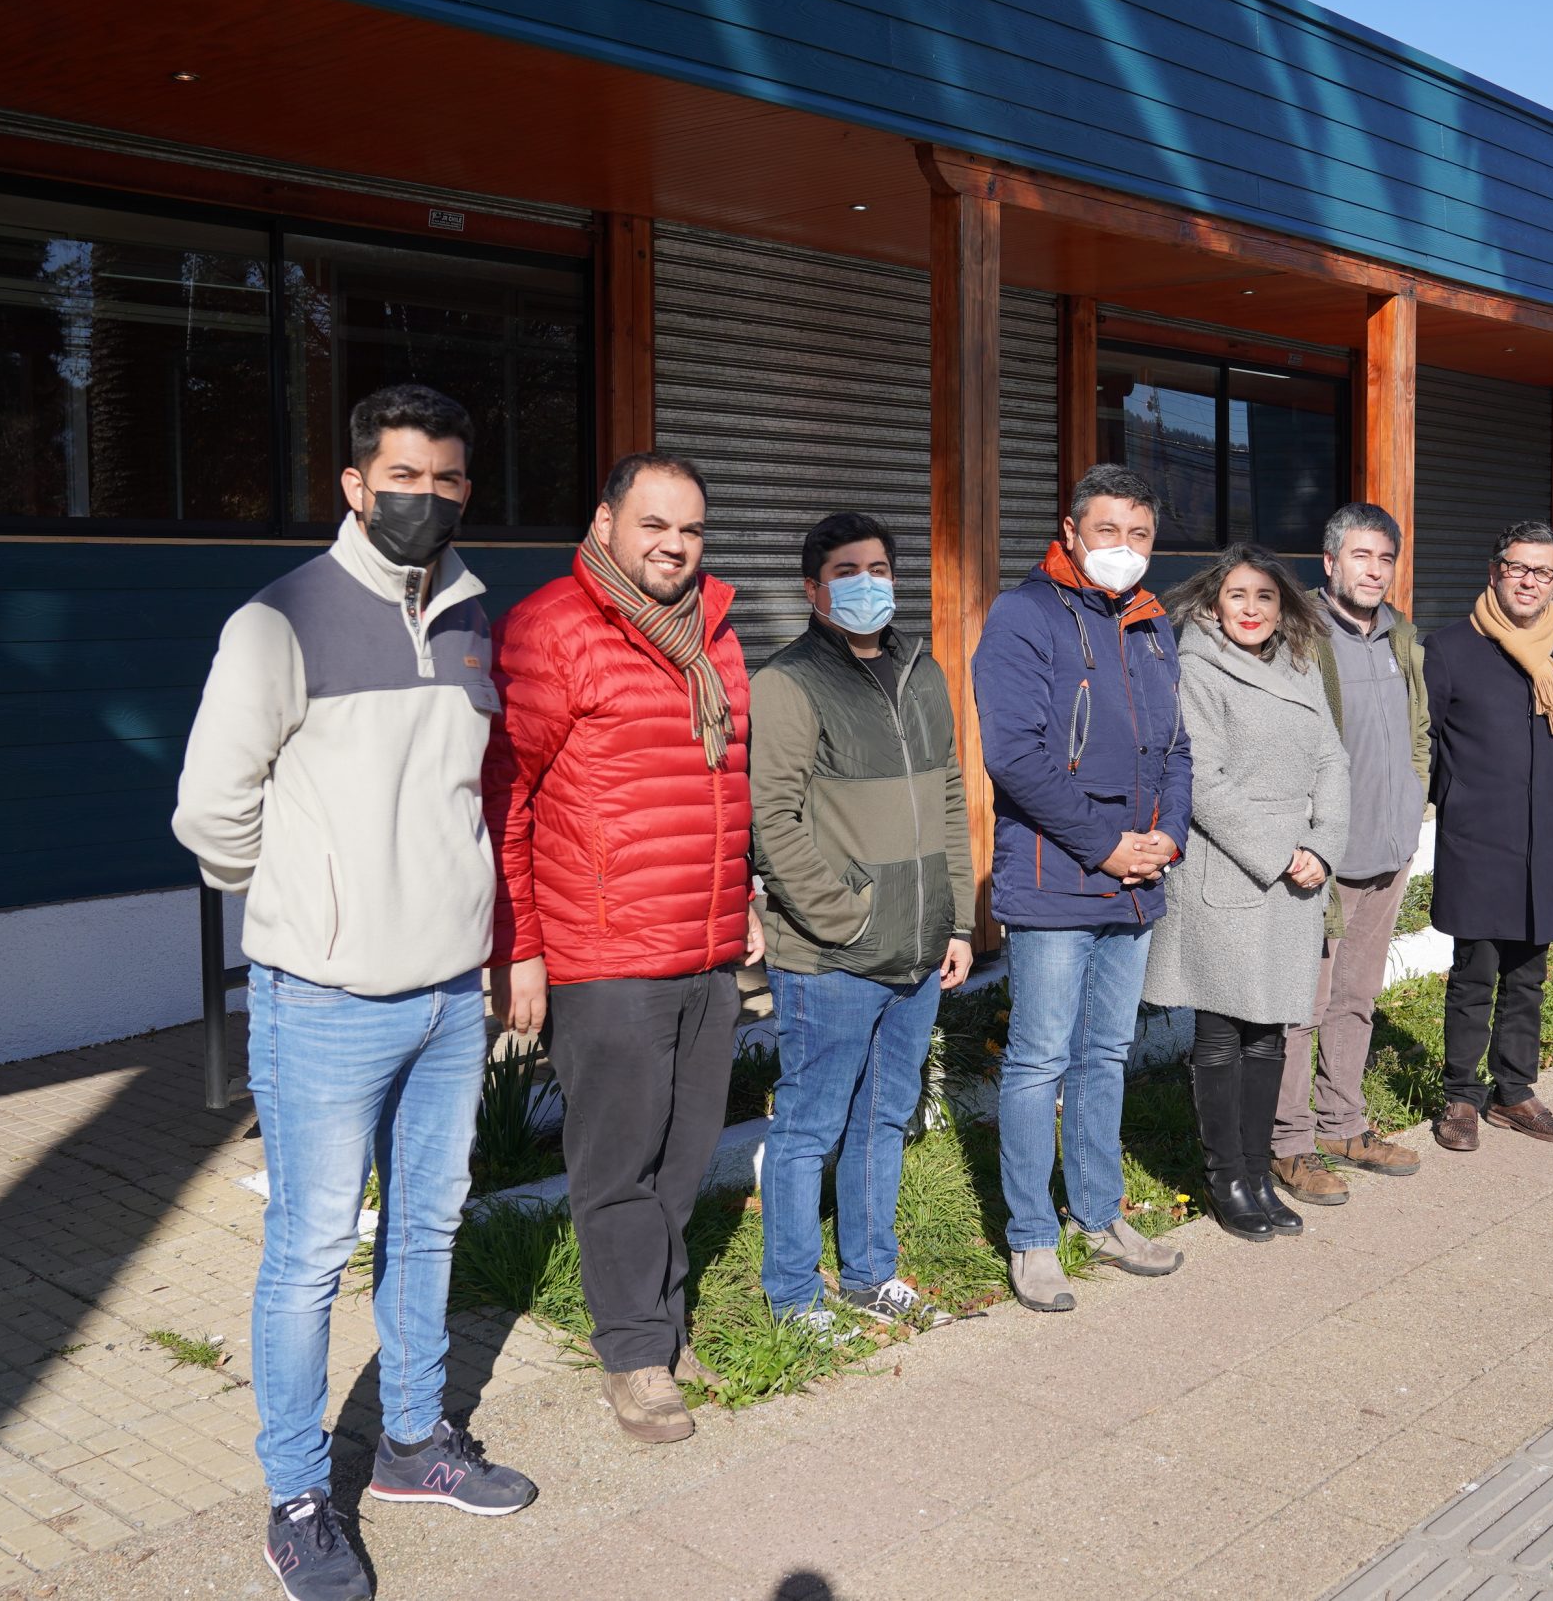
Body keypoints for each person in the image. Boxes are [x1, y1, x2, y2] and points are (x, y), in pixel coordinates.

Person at [175, 384, 535, 1601]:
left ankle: (414, 1444)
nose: (424, 498)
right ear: (353, 485)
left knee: (429, 1226)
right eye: (402, 478)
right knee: (310, 1255)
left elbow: (469, 795)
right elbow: (210, 813)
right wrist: (304, 902)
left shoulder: (475, 618)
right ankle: (296, 1497)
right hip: (325, 1001)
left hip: (447, 996)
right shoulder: (276, 622)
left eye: (446, 480)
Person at [483, 452, 761, 1446]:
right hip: (605, 951)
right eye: (653, 524)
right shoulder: (552, 628)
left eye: (690, 529)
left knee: (683, 1157)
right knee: (618, 1162)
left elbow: (725, 781)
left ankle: (659, 1318)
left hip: (705, 943)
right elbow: (503, 795)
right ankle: (635, 1352)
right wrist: (516, 946)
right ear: (605, 524)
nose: (674, 546)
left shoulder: (713, 633)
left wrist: (743, 896)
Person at [972, 462, 1193, 1310]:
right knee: (1039, 1059)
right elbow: (1015, 754)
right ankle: (1032, 1236)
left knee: (1106, 1053)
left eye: (1139, 534)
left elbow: (1177, 748)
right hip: (1057, 877)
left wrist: (1168, 834)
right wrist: (1106, 846)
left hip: (1136, 878)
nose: (1123, 547)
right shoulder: (1024, 614)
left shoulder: (1150, 620)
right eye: (1107, 530)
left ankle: (1099, 1214)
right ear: (1070, 532)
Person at [748, 512, 974, 1332]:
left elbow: (949, 796)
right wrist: (846, 917)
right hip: (831, 957)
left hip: (918, 946)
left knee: (883, 1117)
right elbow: (771, 820)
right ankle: (793, 1295)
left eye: (878, 568)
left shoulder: (922, 670)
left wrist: (957, 919)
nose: (866, 583)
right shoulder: (788, 682)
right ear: (813, 587)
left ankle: (870, 1275)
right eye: (846, 571)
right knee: (810, 1125)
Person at [1143, 545, 1350, 1241]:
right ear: (1213, 604)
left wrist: (1323, 844)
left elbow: (1332, 758)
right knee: (1222, 1030)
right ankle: (1226, 1176)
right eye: (1238, 595)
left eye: (1265, 596)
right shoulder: (1197, 669)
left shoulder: (1300, 663)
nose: (1253, 609)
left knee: (1271, 1031)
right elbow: (1200, 778)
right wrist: (1279, 852)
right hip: (1230, 868)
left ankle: (1259, 1171)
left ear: (1283, 605)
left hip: (1299, 871)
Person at [1271, 503, 1430, 1207]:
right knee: (1300, 1007)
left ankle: (1342, 1125)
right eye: (1360, 556)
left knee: (1357, 998)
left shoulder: (1401, 636)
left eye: (1385, 558)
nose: (1374, 570)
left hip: (1389, 849)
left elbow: (1418, 729)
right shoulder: (1299, 636)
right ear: (1330, 561)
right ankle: (1288, 1142)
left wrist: (1414, 801)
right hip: (1322, 859)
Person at [1423, 519, 1553, 1150]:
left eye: (1542, 571)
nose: (1528, 581)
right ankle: (1461, 1096)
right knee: (1475, 970)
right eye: (1517, 567)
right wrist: (1457, 799)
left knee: (1529, 972)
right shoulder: (1450, 648)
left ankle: (1515, 1093)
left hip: (1545, 833)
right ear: (1495, 571)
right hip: (1478, 836)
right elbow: (1429, 740)